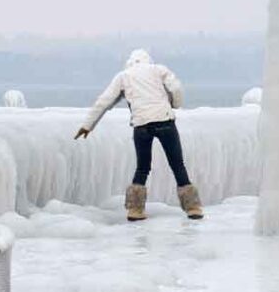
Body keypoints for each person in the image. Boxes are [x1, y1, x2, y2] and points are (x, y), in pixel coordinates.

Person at [75, 49, 202, 221]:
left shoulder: (123, 76)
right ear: (148, 60)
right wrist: (175, 104)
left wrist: (87, 125)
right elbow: (176, 87)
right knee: (178, 165)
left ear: (130, 62)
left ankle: (135, 210)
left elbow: (104, 101)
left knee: (142, 168)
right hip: (165, 121)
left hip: (141, 125)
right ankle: (193, 208)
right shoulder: (158, 69)